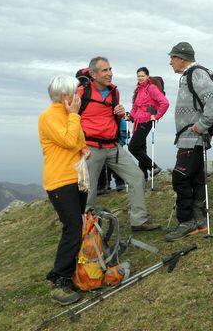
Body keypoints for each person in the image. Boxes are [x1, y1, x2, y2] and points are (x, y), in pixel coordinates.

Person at [79, 57, 160, 231]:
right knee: (89, 190)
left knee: (136, 177)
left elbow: (112, 118)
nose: (110, 74)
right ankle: (85, 229)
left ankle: (138, 221)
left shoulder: (114, 92)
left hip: (113, 146)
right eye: (104, 70)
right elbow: (70, 119)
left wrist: (120, 113)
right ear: (93, 74)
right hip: (91, 148)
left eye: (110, 69)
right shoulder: (81, 93)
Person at [38, 75, 88, 305]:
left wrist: (83, 147)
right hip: (60, 181)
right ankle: (59, 278)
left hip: (76, 178)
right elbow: (69, 141)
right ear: (66, 95)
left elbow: (78, 141)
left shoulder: (69, 115)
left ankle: (76, 273)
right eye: (76, 92)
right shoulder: (49, 117)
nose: (79, 96)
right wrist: (75, 116)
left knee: (78, 225)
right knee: (73, 228)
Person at [166, 42, 213, 241]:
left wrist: (201, 125)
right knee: (196, 178)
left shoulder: (196, 74)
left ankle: (186, 222)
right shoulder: (190, 75)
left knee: (180, 177)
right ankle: (199, 220)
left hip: (192, 136)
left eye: (172, 58)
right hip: (190, 137)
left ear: (181, 58)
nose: (170, 62)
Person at [128, 67, 169, 180]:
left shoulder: (151, 88)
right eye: (138, 76)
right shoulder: (138, 90)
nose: (140, 78)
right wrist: (130, 116)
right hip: (138, 121)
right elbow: (135, 107)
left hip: (146, 121)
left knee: (133, 147)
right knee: (141, 148)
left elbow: (164, 103)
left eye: (142, 75)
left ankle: (153, 167)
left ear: (147, 76)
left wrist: (156, 116)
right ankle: (143, 176)